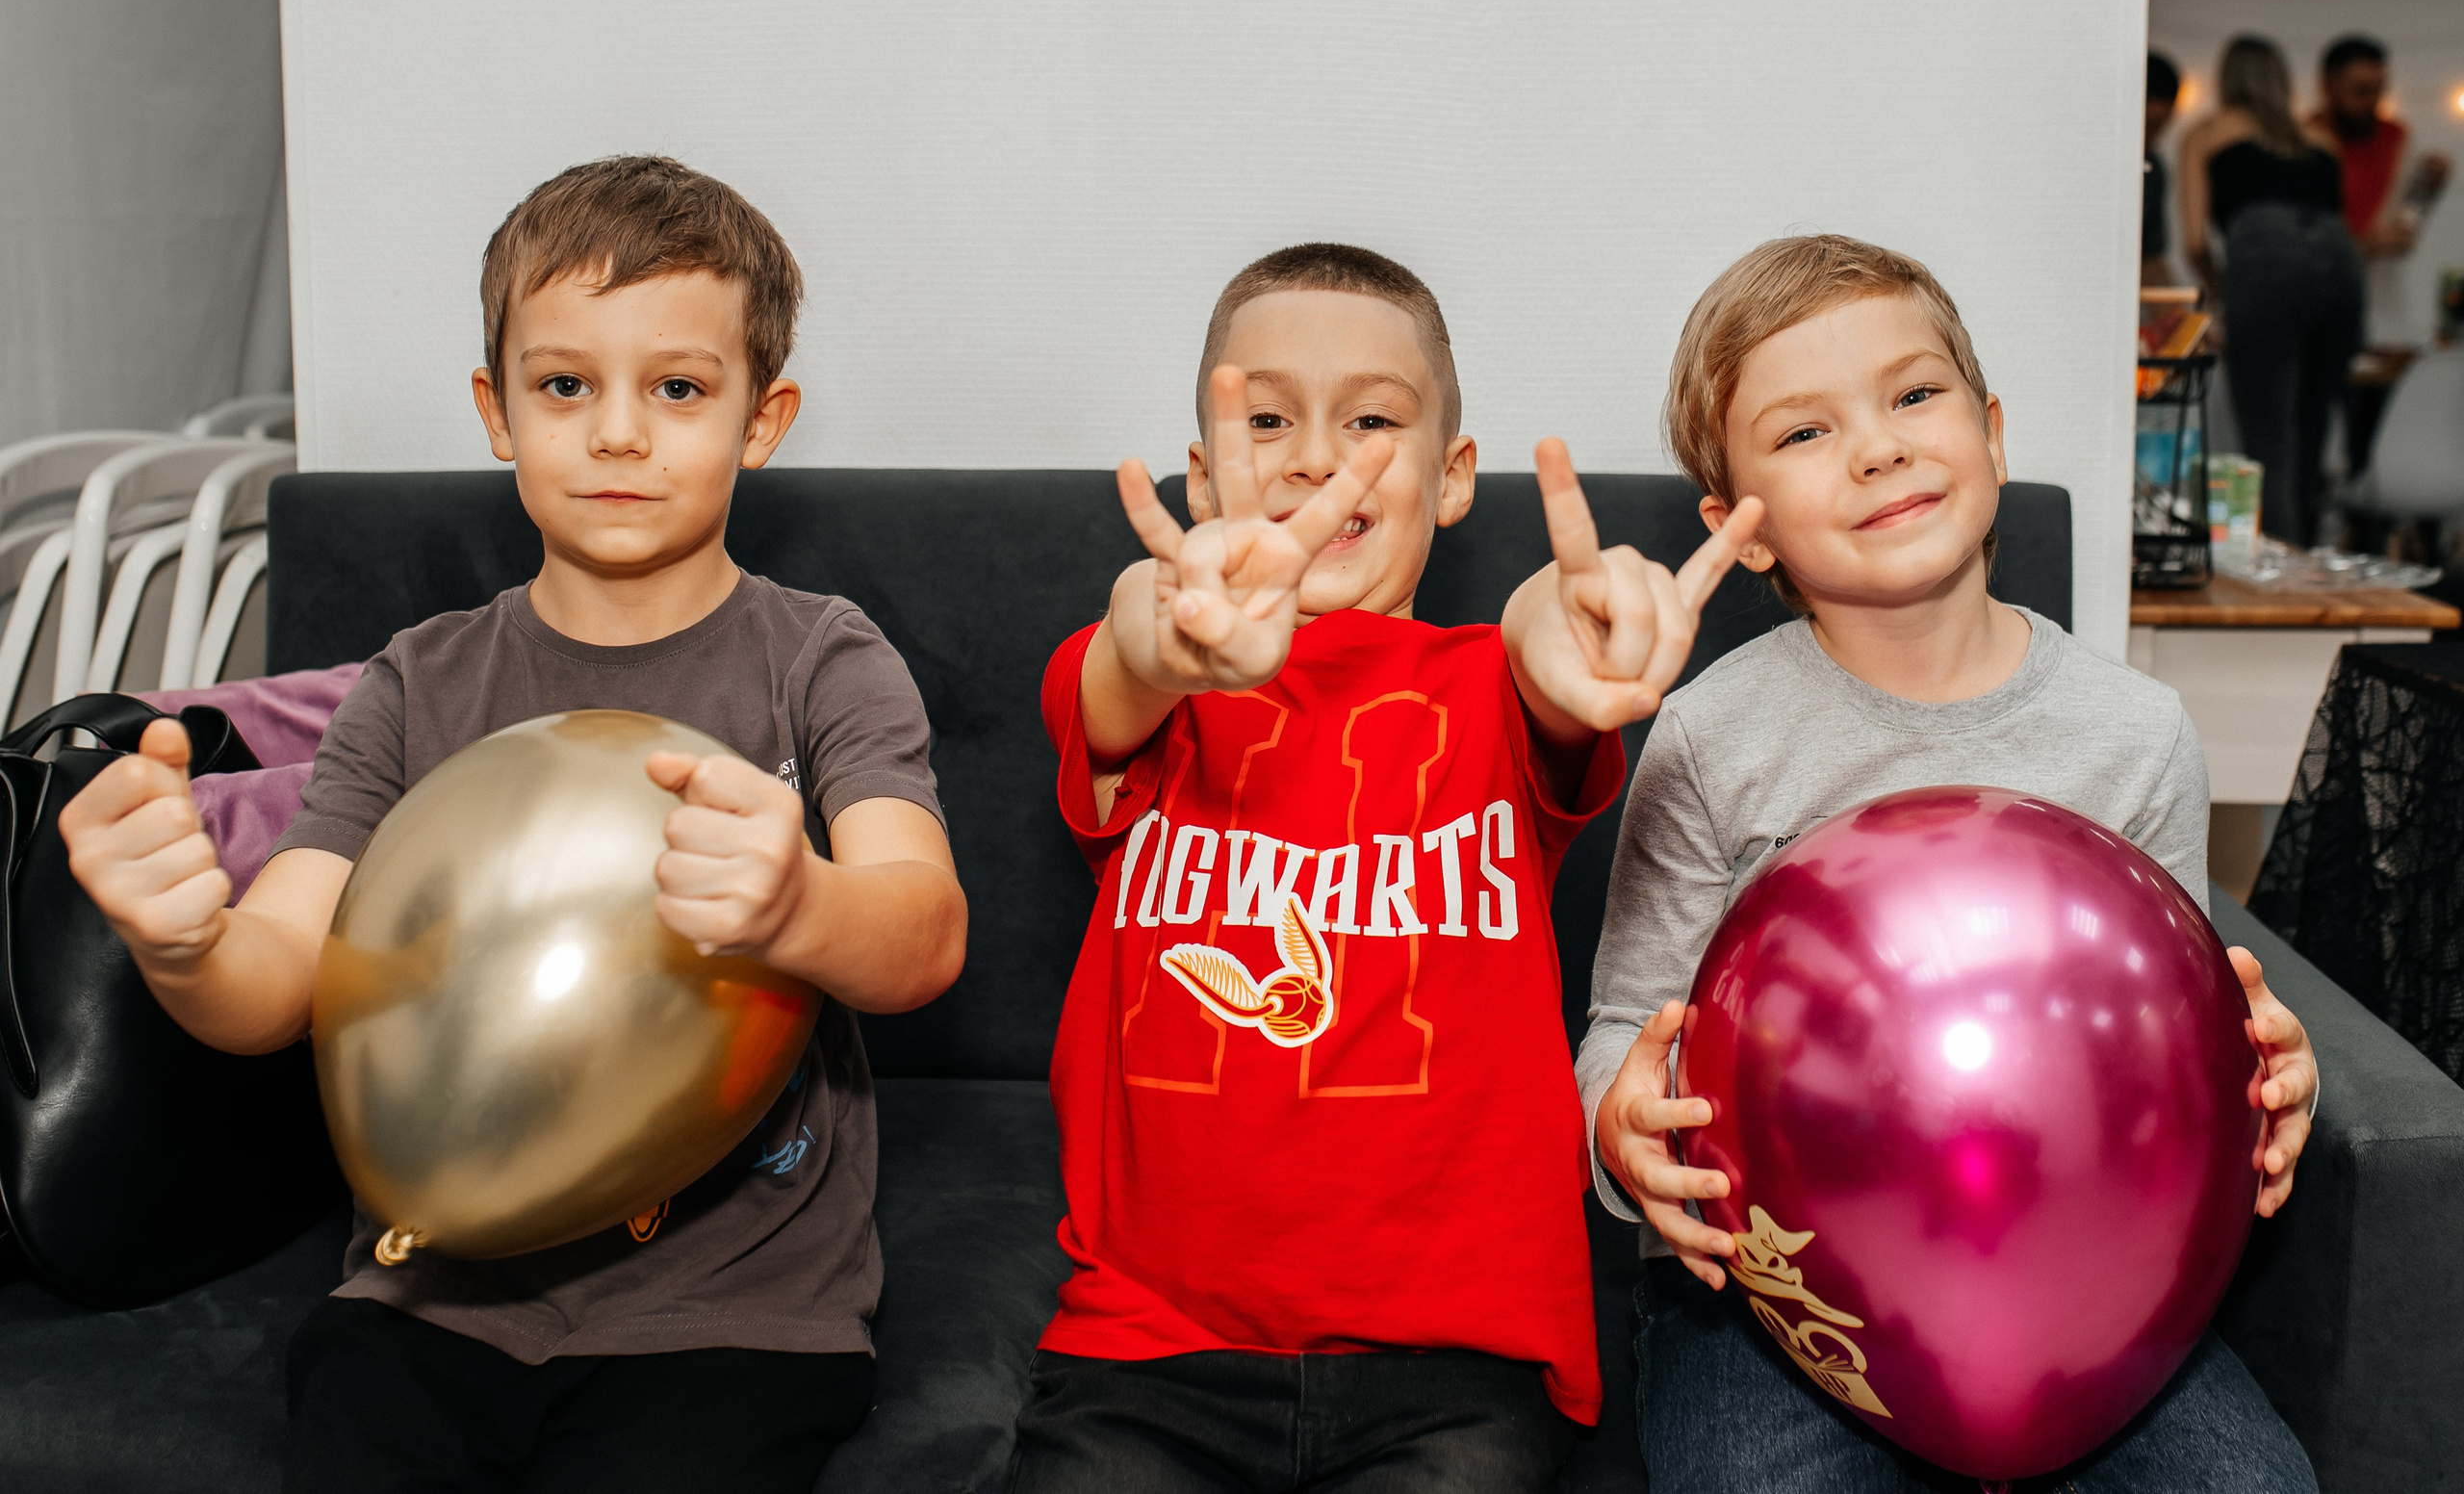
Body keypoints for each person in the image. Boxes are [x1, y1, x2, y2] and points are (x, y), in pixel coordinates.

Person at [59, 156, 968, 1493]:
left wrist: (801, 905)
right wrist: (185, 941)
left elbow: (924, 931)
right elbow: (277, 986)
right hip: (428, 1300)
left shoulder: (821, 659)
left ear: (760, 419)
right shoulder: (419, 680)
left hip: (735, 1318)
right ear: (497, 411)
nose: (616, 434)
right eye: (564, 385)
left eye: (677, 388)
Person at [1012, 243, 1762, 1492]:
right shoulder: (1151, 685)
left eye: (1371, 420)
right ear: (1203, 479)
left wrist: (1573, 639)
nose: (1318, 457)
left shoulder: (1494, 689)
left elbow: (1537, 641)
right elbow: (1126, 653)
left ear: (1453, 477)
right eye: (1267, 422)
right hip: (1148, 1359)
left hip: (1453, 1370)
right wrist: (1169, 623)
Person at [1580, 234, 2324, 1493]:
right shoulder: (1710, 735)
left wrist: (2264, 1078)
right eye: (1805, 433)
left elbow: (2178, 1033)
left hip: (2090, 1279)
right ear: (1737, 529)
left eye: (1914, 397)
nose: (1878, 446)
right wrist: (1621, 1129)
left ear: (1990, 430)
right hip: (1768, 1291)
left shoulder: (2134, 733)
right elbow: (1619, 1020)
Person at [2179, 35, 2364, 547]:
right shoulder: (2319, 140)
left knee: (2269, 439)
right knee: (2312, 435)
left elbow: (2195, 239)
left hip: (2266, 267)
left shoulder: (2207, 133)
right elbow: (2335, 226)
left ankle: (2283, 578)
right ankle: (2308, 553)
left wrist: (2220, 295)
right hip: (2341, 271)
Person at [2313, 34, 2453, 473]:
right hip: (2322, 308)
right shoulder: (2307, 141)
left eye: (2379, 89)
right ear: (2328, 87)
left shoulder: (2396, 137)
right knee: (2321, 437)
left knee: (2378, 440)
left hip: (2384, 311)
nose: (2372, 101)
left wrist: (2428, 190)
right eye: (2360, 91)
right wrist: (2368, 243)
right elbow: (2310, 239)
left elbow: (2405, 227)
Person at [2143, 51, 2183, 287]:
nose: (2156, 135)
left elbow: (2151, 258)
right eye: (2151, 124)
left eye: (2164, 125)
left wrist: (2178, 318)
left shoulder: (2155, 168)